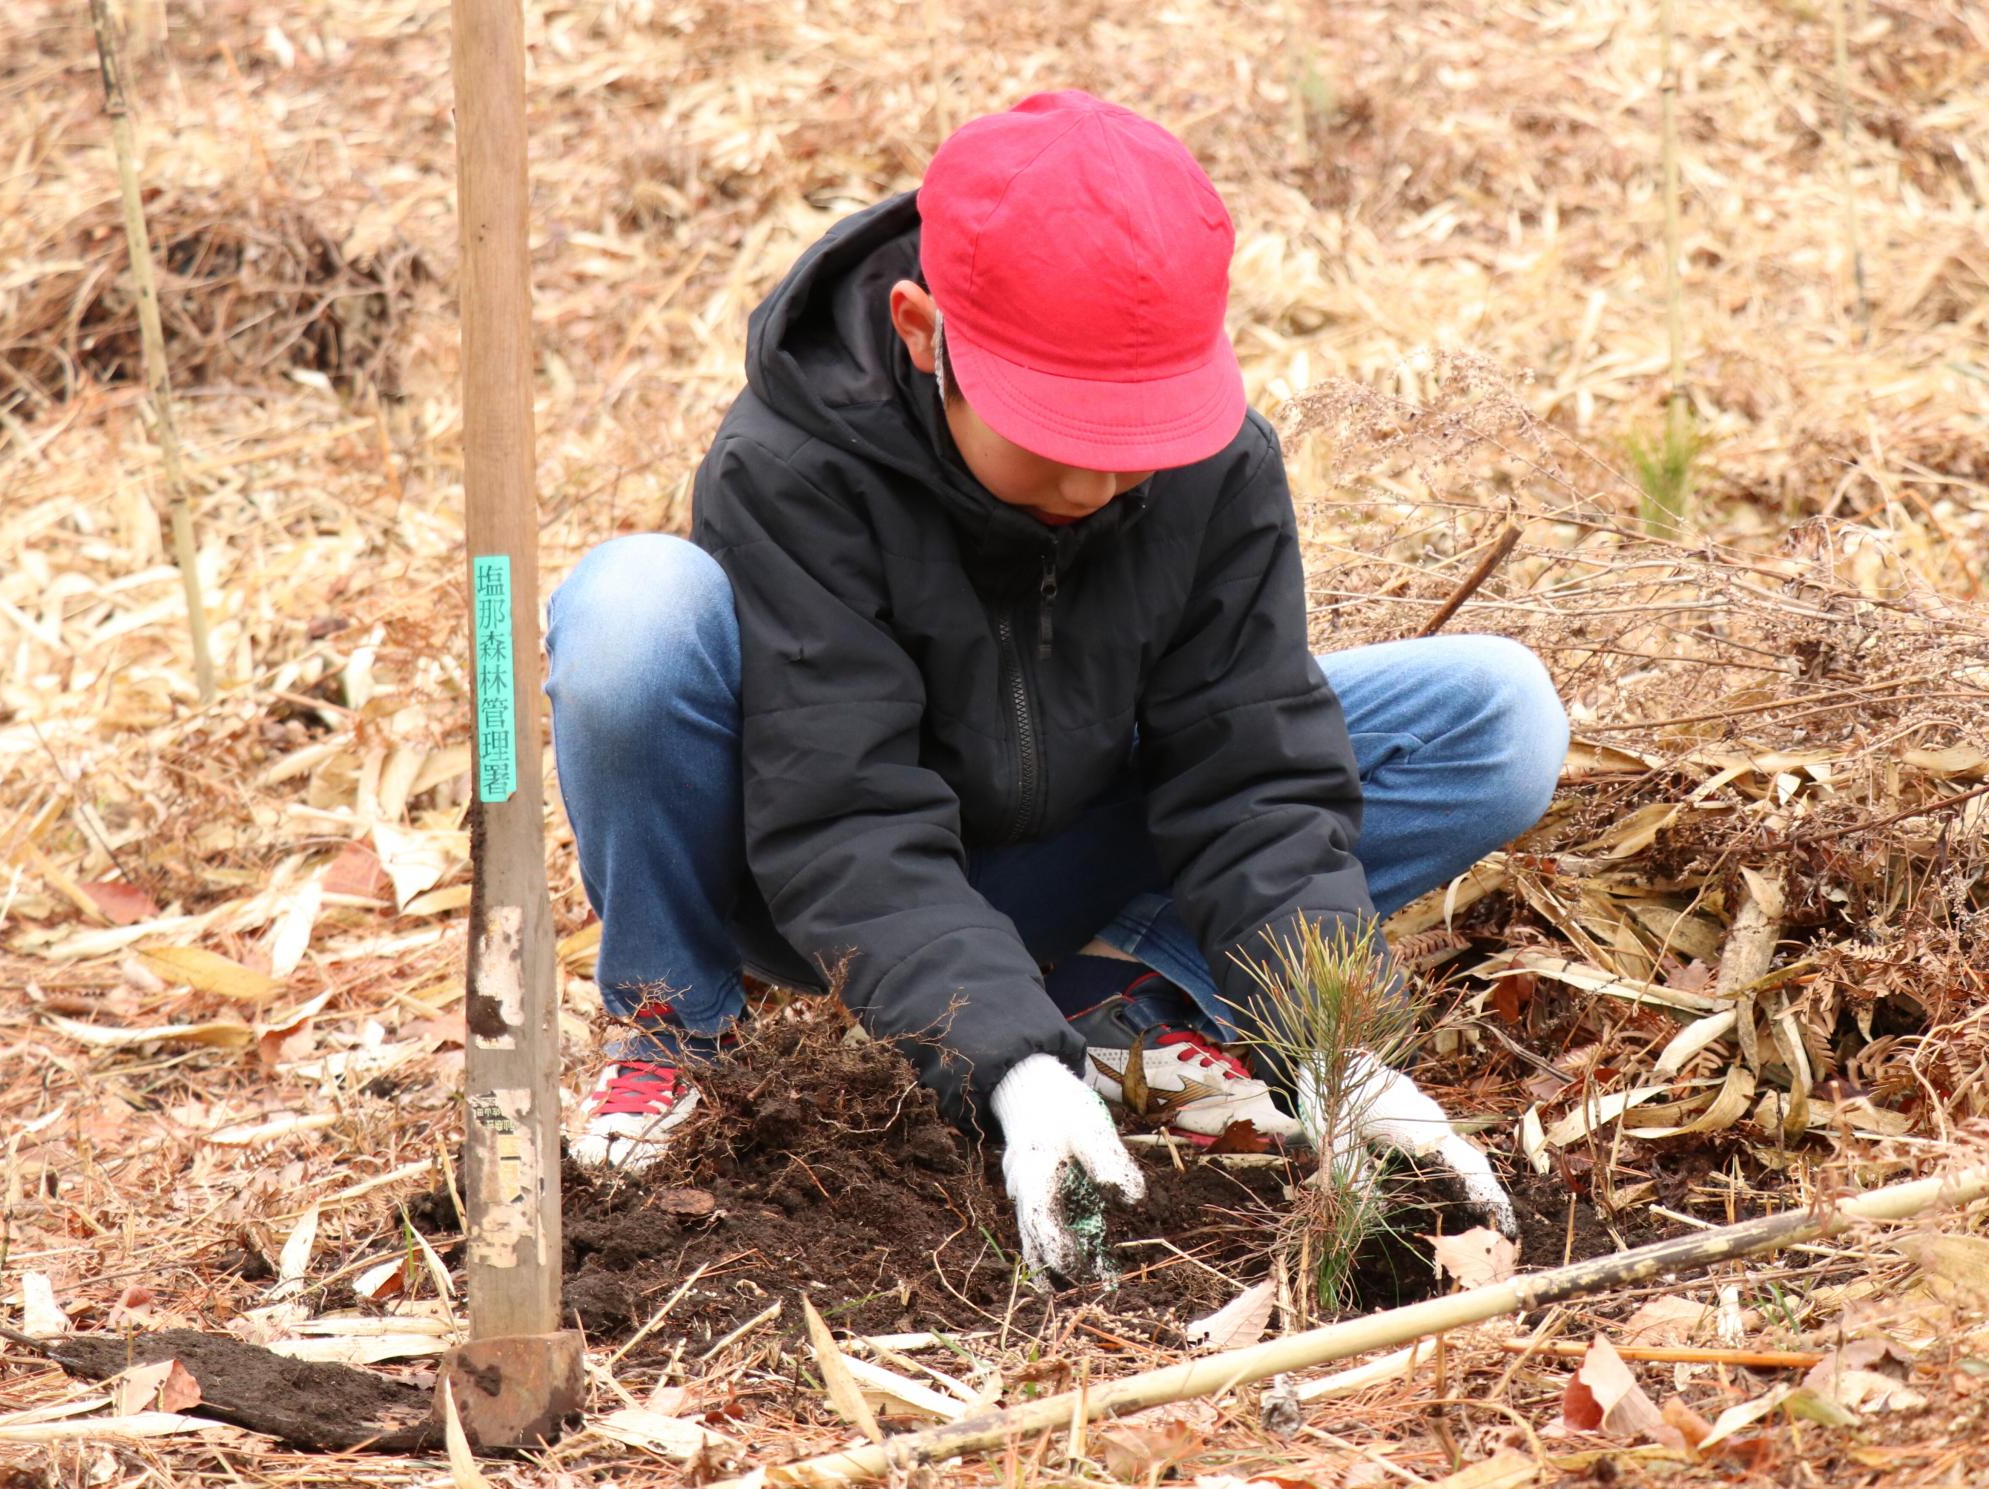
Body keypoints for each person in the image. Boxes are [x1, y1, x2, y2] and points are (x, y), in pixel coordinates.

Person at [544, 91, 1569, 1283]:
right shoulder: (795, 465)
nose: (1093, 479)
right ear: (924, 331)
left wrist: (1334, 1050)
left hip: (1062, 852)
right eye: (1052, 431)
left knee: (1495, 714)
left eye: (1129, 433)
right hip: (808, 875)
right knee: (632, 610)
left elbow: (1249, 770)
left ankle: (1114, 992)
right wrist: (1009, 1068)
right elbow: (845, 808)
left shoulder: (1212, 466)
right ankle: (678, 1035)